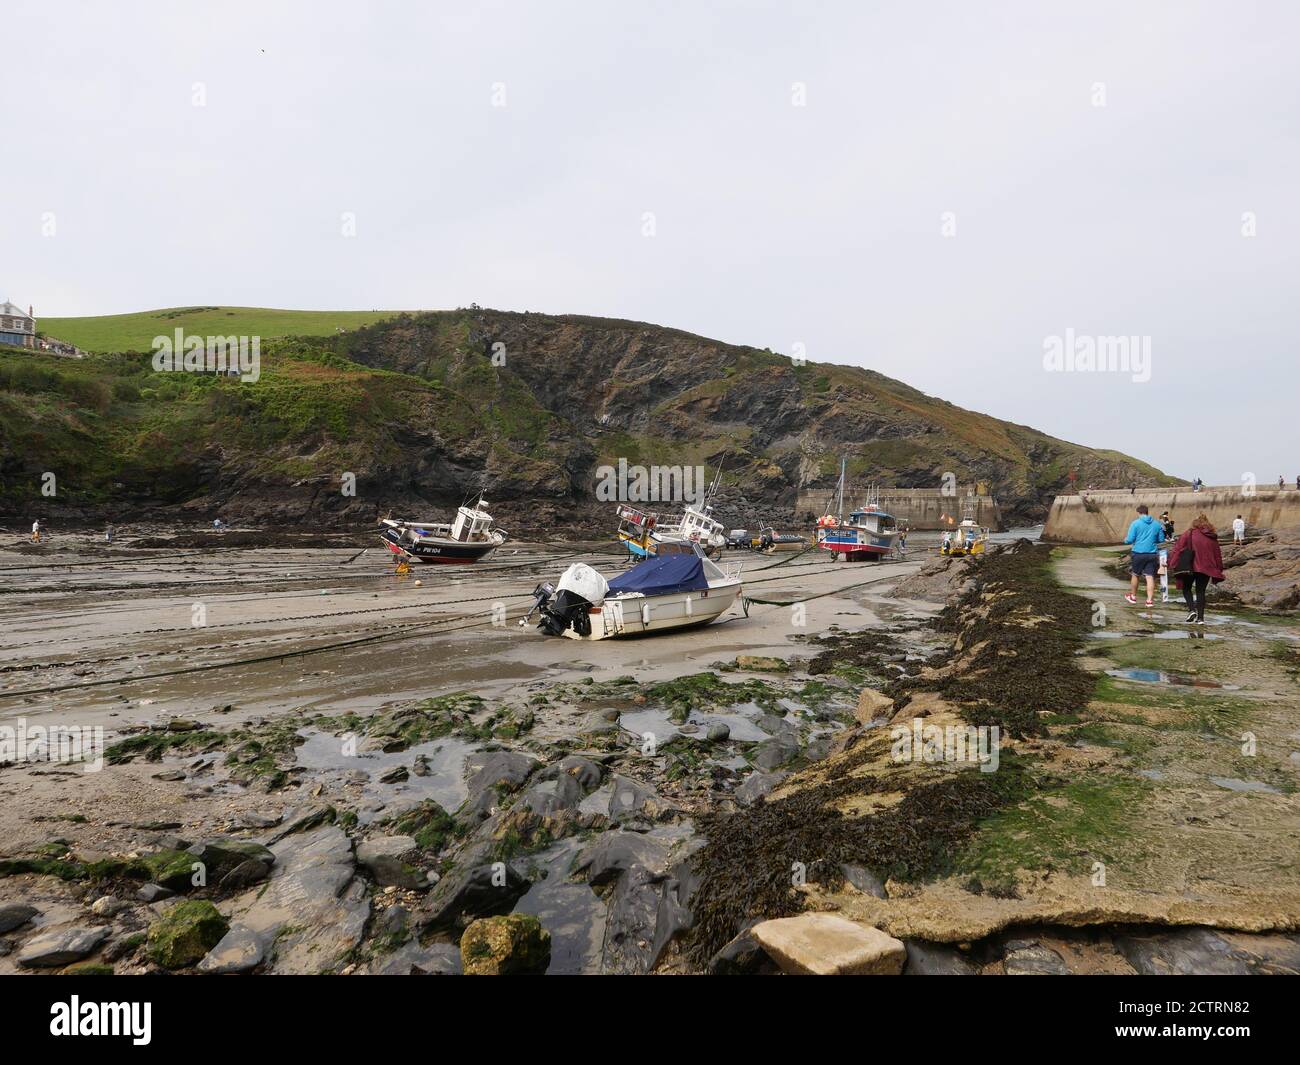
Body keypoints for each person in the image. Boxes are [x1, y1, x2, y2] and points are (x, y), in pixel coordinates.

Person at [1171, 513, 1225, 624]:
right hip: (1206, 568)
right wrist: (1219, 569)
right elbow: (1217, 554)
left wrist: (1172, 564)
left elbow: (1178, 549)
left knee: (1186, 589)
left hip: (1190, 566)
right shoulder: (1212, 537)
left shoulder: (1188, 534)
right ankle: (1200, 619)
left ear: (1195, 523)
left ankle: (1191, 610)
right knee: (1201, 592)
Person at [1123, 504, 1162, 607]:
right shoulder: (1157, 524)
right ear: (1147, 512)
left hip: (1138, 553)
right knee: (1150, 577)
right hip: (1152, 553)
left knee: (1135, 574)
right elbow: (1161, 539)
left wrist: (1125, 540)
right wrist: (1152, 540)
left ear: (1139, 513)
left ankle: (1133, 596)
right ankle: (1149, 601)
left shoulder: (1135, 523)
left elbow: (1130, 539)